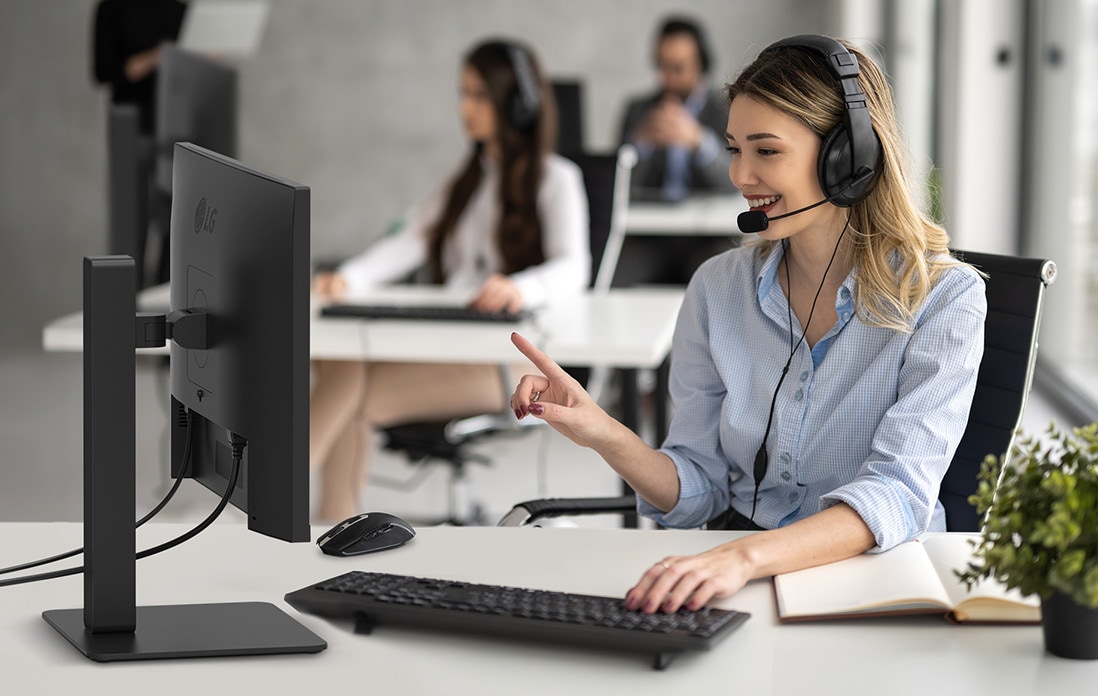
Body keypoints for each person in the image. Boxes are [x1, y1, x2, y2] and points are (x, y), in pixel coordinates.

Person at [510, 35, 986, 614]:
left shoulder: (944, 297)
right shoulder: (717, 288)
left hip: (870, 585)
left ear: (848, 158)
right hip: (741, 576)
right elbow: (698, 486)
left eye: (766, 151)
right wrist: (604, 431)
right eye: (734, 148)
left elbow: (897, 493)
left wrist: (743, 557)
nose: (740, 174)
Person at [310, 39, 590, 522]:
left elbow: (575, 267)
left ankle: (288, 496)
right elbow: (409, 241)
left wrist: (522, 288)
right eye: (463, 94)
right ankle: (317, 516)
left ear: (515, 103)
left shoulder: (556, 179)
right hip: (445, 348)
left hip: (499, 365)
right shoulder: (467, 181)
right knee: (342, 358)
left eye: (479, 95)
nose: (466, 108)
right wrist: (348, 278)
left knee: (345, 394)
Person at [618, 16, 735, 202]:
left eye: (678, 68)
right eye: (662, 66)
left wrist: (700, 142)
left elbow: (736, 185)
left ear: (701, 65)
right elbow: (619, 187)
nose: (667, 78)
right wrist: (640, 144)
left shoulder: (727, 109)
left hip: (711, 228)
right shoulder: (638, 110)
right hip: (648, 225)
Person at [92, 0, 187, 134]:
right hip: (131, 116)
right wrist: (157, 57)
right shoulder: (112, 8)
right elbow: (103, 72)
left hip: (177, 115)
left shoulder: (181, 10)